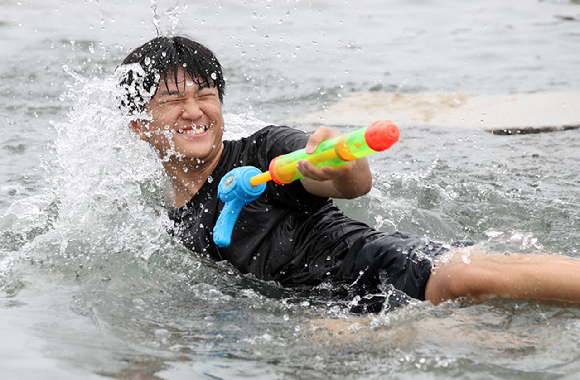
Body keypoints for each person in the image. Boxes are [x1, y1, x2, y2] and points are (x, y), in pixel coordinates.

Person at [117, 35, 580, 312]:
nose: (194, 110)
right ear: (140, 126)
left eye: (206, 94)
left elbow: (348, 182)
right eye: (173, 101)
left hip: (373, 264)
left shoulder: (262, 152)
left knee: (471, 279)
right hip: (328, 311)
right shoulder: (161, 219)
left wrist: (338, 160)